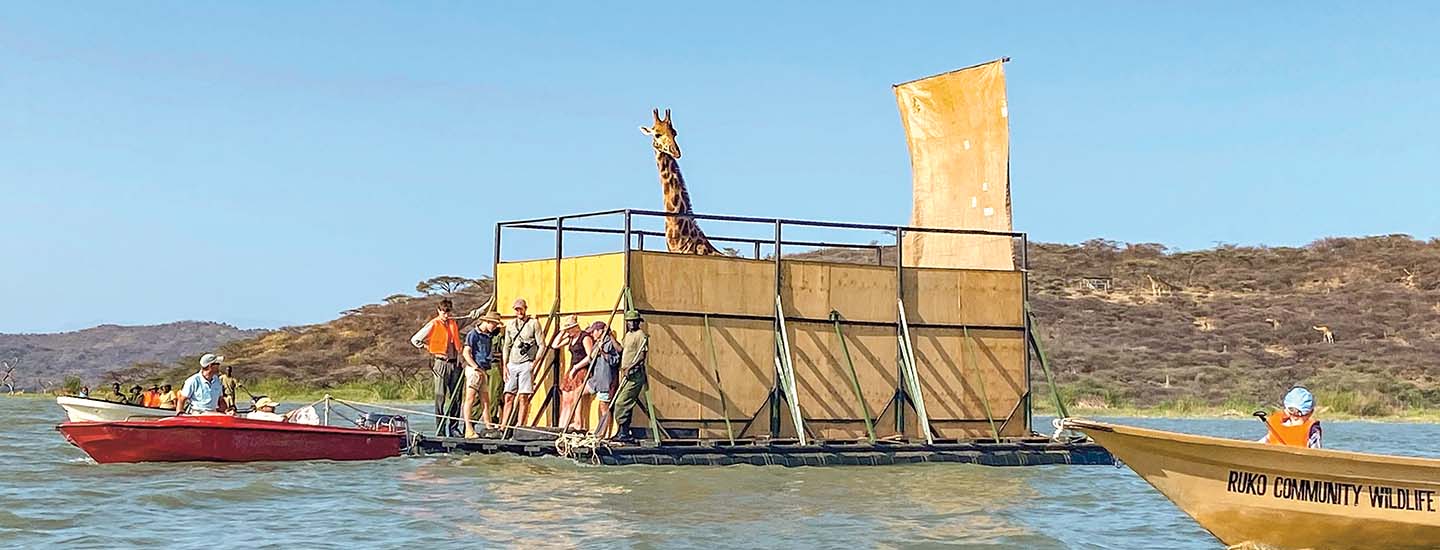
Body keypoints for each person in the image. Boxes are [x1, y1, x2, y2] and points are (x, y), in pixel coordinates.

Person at [411, 298, 465, 437]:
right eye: (443, 311)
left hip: (455, 363)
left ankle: (453, 428)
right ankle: (440, 430)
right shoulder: (433, 324)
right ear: (439, 311)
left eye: (448, 311)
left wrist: (487, 306)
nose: (446, 314)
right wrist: (428, 347)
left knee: (456, 397)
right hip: (440, 363)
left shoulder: (454, 323)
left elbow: (471, 317)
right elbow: (415, 339)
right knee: (440, 397)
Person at [461, 311, 503, 438]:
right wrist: (475, 367)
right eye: (494, 324)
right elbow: (466, 352)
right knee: (470, 399)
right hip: (475, 370)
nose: (494, 327)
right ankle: (468, 429)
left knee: (486, 400)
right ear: (487, 322)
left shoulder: (488, 336)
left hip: (484, 369)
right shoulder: (473, 334)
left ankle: (488, 426)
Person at [500, 298, 540, 432]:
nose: (519, 311)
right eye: (516, 309)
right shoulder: (510, 325)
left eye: (521, 309)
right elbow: (506, 346)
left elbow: (542, 345)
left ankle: (520, 425)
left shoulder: (533, 324)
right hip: (512, 363)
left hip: (526, 363)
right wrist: (504, 365)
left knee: (523, 396)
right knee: (508, 396)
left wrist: (535, 362)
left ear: (525, 308)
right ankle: (503, 426)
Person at [609, 310, 649, 443]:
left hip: (634, 374)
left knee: (622, 402)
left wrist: (630, 367)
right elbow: (621, 350)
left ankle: (624, 433)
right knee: (622, 402)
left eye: (634, 321)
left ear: (638, 322)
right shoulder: (628, 335)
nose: (631, 324)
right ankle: (622, 431)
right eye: (629, 321)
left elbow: (642, 356)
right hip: (626, 374)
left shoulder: (640, 335)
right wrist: (611, 337)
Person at [553, 315, 595, 432]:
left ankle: (578, 423)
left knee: (575, 397)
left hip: (581, 368)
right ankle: (561, 426)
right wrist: (562, 332)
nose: (568, 332)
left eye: (569, 329)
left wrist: (576, 367)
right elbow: (554, 345)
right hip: (572, 368)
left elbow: (590, 356)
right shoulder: (571, 338)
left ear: (575, 327)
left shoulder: (584, 337)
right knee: (566, 399)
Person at [585, 322, 623, 437]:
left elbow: (615, 361)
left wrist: (603, 353)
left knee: (604, 407)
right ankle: (581, 425)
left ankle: (603, 433)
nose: (592, 334)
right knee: (578, 393)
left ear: (600, 331)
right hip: (596, 379)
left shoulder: (610, 343)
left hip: (606, 380)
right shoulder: (598, 343)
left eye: (594, 331)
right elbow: (591, 358)